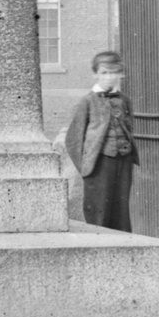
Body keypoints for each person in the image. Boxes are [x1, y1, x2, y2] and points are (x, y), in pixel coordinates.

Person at [63, 51, 139, 232]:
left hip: (123, 161)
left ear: (120, 74)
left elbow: (129, 127)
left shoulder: (124, 100)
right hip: (99, 164)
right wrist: (86, 167)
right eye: (104, 73)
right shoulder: (87, 101)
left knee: (121, 209)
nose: (109, 77)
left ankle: (122, 244)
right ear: (95, 74)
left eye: (114, 72)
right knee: (99, 209)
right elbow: (73, 139)